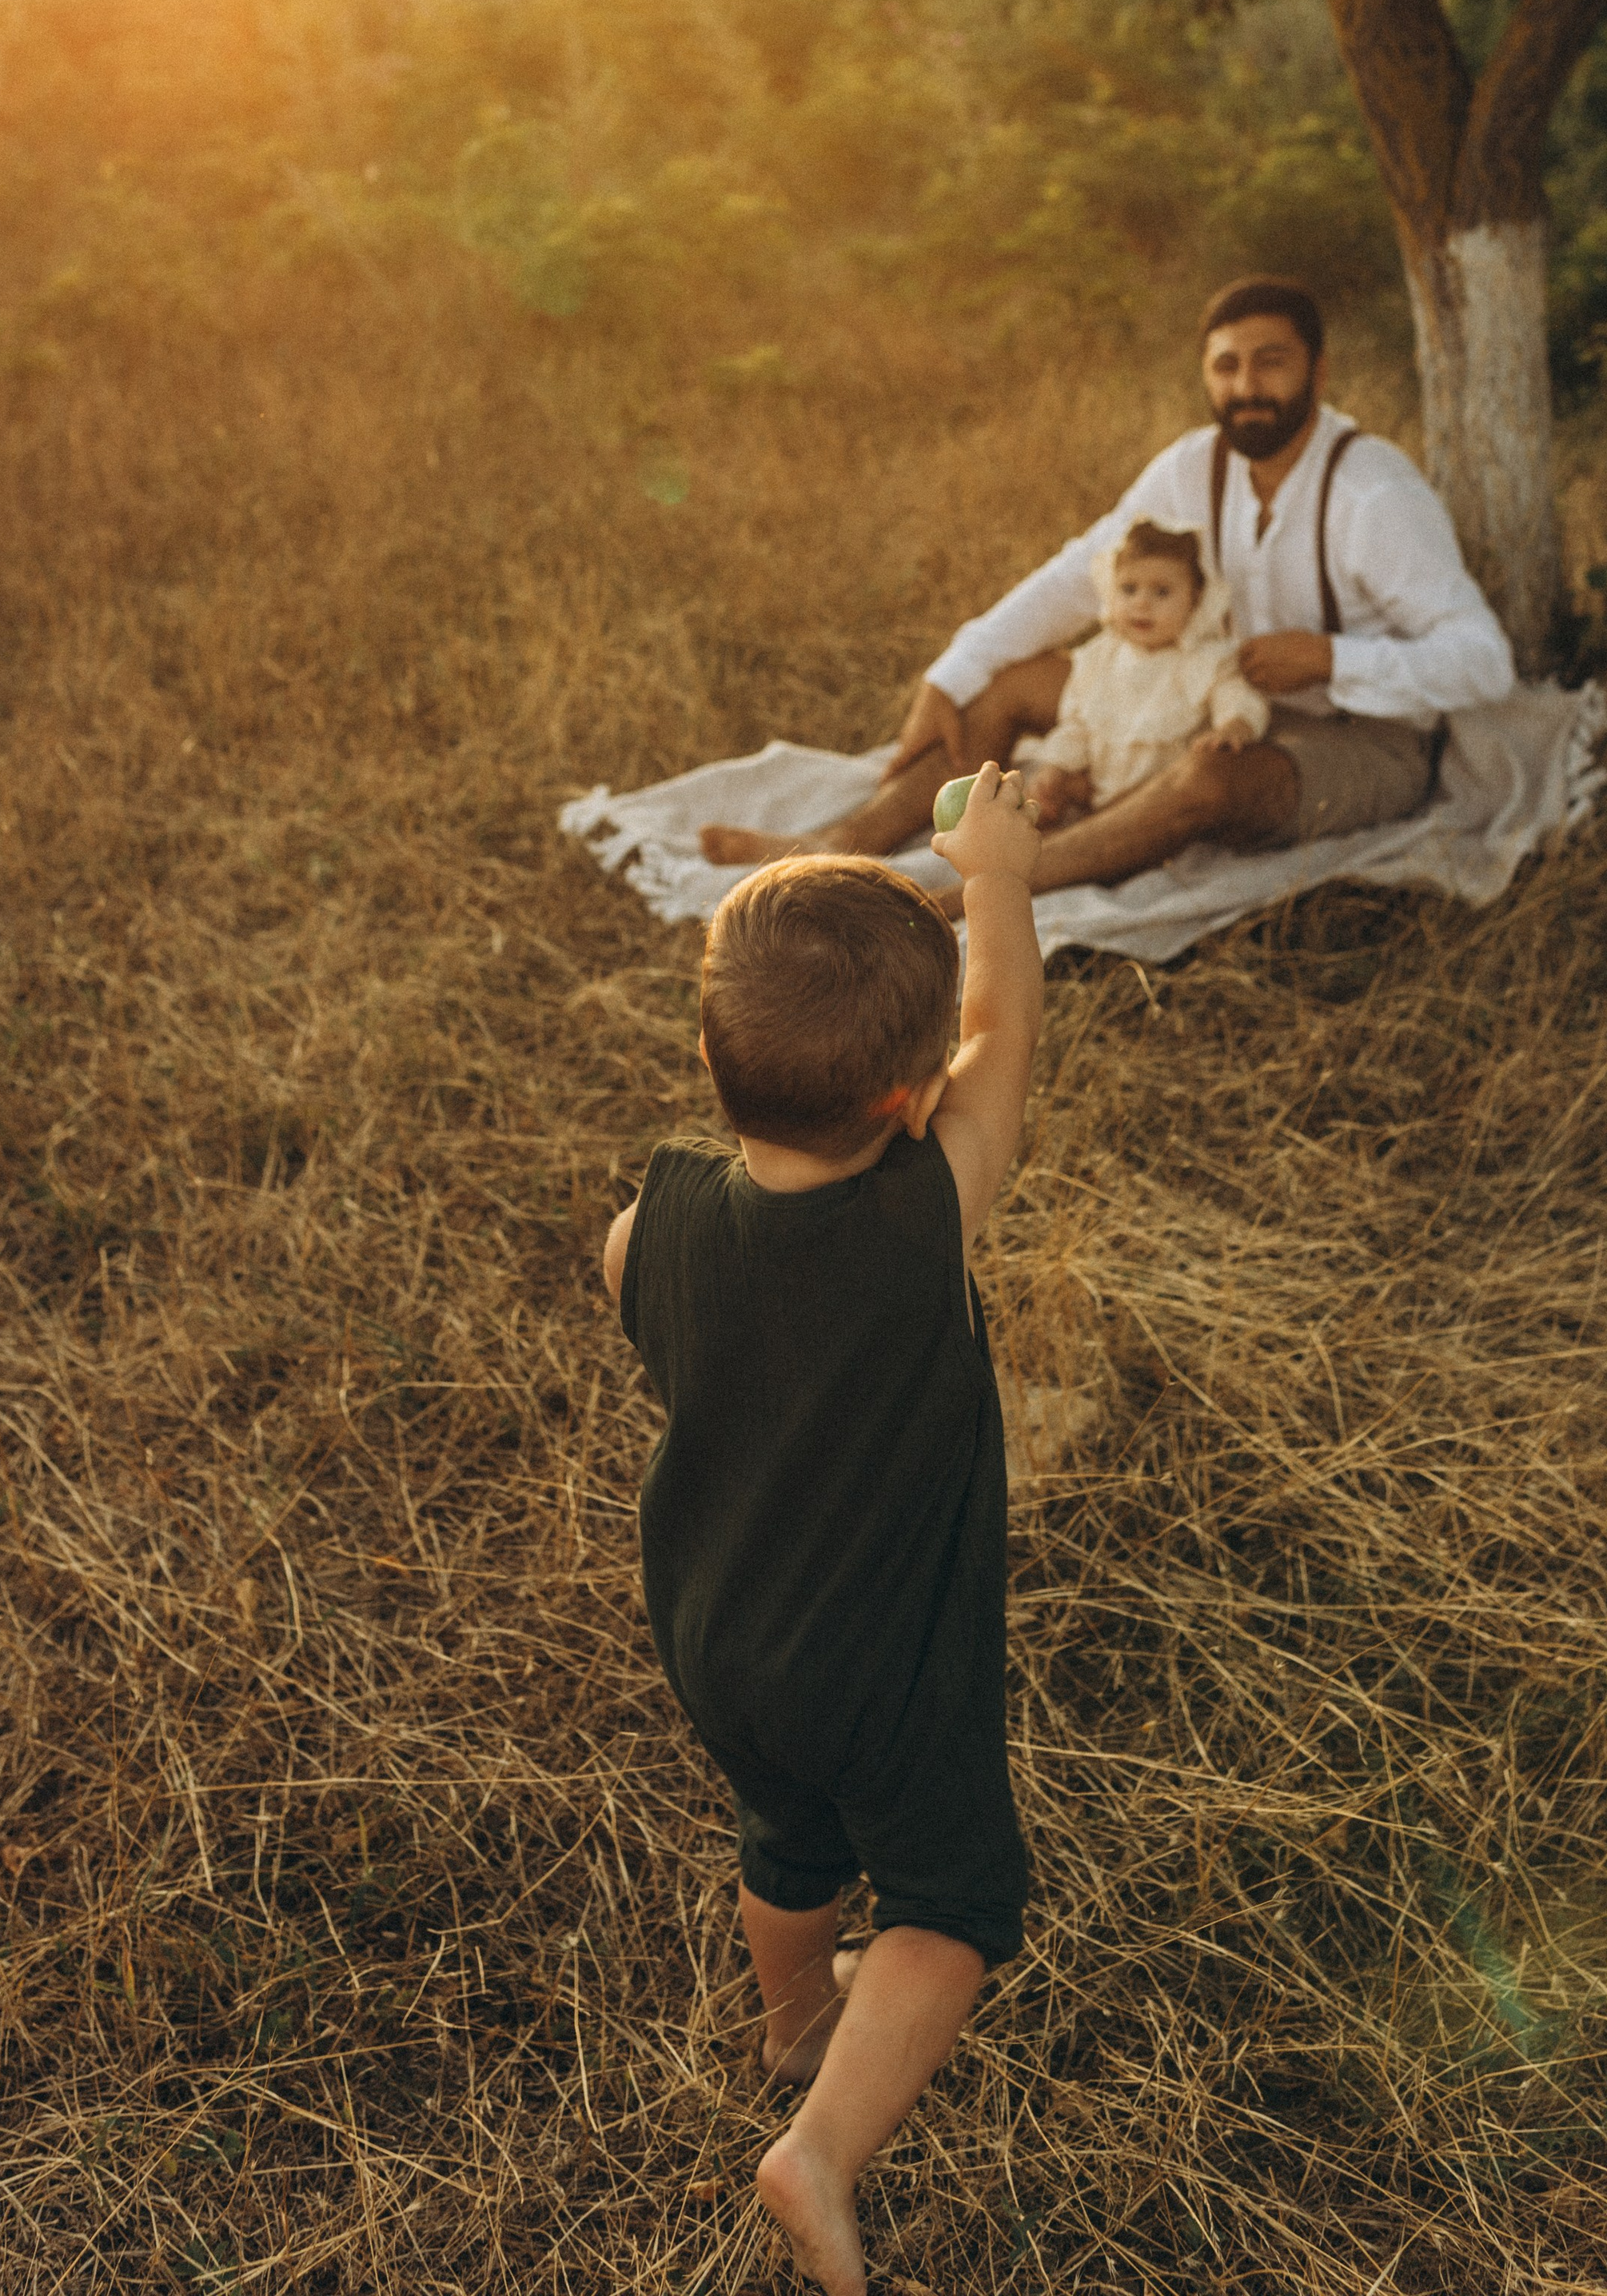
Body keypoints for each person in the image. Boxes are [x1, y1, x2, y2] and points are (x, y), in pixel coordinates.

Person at [600, 763, 1043, 2296]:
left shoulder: (643, 1227)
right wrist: (993, 875)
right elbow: (1004, 1039)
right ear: (905, 1104)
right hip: (882, 1663)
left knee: (788, 1834)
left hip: (716, 1631)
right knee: (951, 1901)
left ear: (705, 1057)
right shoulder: (924, 1217)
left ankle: (794, 2029)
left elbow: (651, 1317)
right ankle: (822, 2152)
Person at [698, 274, 1515, 896]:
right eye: (1225, 367)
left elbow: (1483, 661)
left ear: (1318, 370)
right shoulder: (1197, 465)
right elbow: (1078, 577)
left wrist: (1332, 660)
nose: (1246, 387)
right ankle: (830, 852)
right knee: (1011, 684)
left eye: (1270, 363)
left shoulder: (1372, 493)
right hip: (1193, 688)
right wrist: (947, 674)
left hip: (1351, 737)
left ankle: (958, 896)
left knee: (1207, 777)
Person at [1027, 516, 1267, 832]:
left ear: (1194, 601)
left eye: (1162, 592)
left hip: (1159, 799)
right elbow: (1078, 726)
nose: (1141, 603)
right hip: (1100, 786)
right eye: (1129, 589)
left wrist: (1234, 725)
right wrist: (1055, 769)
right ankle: (1059, 804)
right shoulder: (1101, 656)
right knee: (1049, 787)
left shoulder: (1204, 660)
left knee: (1177, 803)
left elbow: (1236, 697)